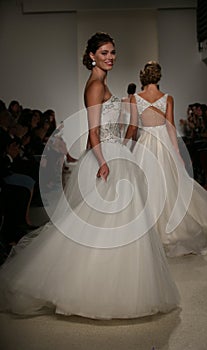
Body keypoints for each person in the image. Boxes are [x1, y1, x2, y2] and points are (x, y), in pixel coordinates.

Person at [0, 33, 180, 319]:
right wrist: (102, 161)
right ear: (92, 56)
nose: (110, 57)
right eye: (104, 52)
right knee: (103, 224)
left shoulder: (101, 83)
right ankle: (91, 289)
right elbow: (93, 131)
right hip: (106, 157)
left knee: (107, 224)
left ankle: (113, 286)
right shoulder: (95, 86)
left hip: (112, 153)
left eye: (113, 52)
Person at [124, 61, 207, 257]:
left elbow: (132, 128)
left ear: (143, 78)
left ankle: (146, 233)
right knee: (170, 186)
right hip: (164, 144)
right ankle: (172, 230)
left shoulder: (135, 99)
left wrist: (124, 147)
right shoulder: (167, 98)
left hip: (145, 145)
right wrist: (177, 153)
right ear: (159, 77)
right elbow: (170, 127)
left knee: (145, 186)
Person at [118, 83, 137, 148]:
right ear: (134, 90)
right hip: (133, 123)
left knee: (124, 143)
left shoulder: (123, 100)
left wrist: (119, 127)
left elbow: (121, 114)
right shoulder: (136, 100)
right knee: (133, 143)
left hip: (125, 123)